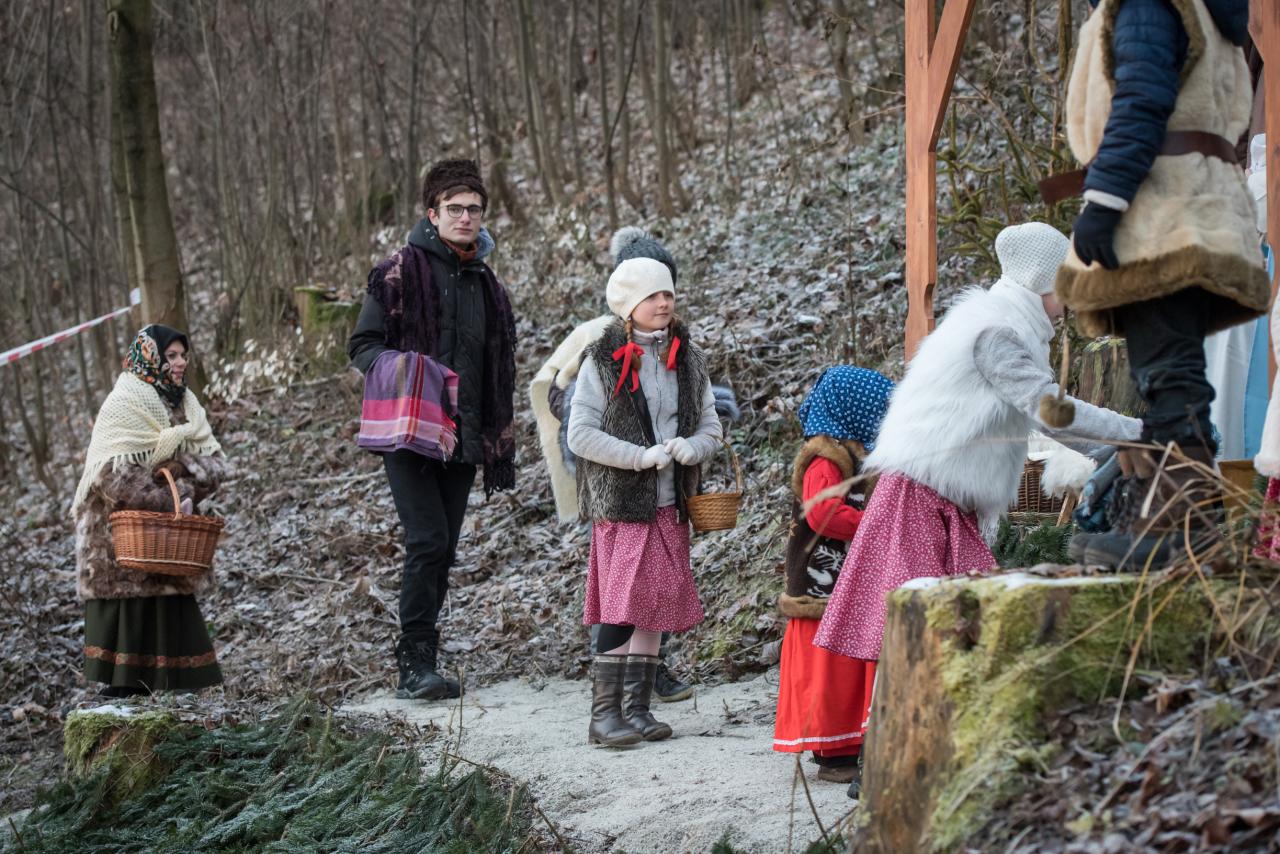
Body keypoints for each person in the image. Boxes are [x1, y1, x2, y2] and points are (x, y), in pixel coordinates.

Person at [814, 223, 1141, 796]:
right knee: (922, 626)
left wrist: (1118, 443)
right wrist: (1139, 434)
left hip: (942, 498)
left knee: (955, 623)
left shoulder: (1001, 324)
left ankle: (924, 752)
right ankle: (884, 763)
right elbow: (1049, 412)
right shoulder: (996, 332)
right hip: (919, 497)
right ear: (1043, 280)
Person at [1055, 0, 1267, 568]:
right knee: (1170, 374)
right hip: (1199, 210)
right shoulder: (1204, 12)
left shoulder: (1151, 4)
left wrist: (1105, 200)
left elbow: (1142, 99)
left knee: (1170, 376)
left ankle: (1180, 525)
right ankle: (1175, 517)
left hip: (1165, 215)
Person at [348, 159, 517, 701]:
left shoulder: (486, 285)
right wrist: (410, 373)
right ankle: (413, 663)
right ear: (432, 213)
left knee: (443, 549)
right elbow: (363, 346)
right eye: (454, 208)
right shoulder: (398, 271)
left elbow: (493, 364)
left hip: (462, 433)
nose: (465, 217)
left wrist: (489, 431)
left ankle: (425, 658)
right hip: (411, 431)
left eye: (474, 209)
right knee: (427, 540)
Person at [566, 254, 723, 746]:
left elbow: (711, 426)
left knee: (656, 601)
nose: (663, 302)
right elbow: (579, 434)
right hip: (622, 504)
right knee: (622, 604)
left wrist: (692, 447)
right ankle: (604, 716)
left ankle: (637, 710)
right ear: (628, 305)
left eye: (668, 293)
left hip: (670, 502)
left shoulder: (690, 358)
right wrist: (639, 457)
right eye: (652, 295)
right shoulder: (601, 360)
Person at [73, 325, 230, 697]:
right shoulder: (123, 403)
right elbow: (111, 474)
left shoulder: (185, 404)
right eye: (171, 355)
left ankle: (173, 688)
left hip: (167, 533)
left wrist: (180, 475)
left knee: (168, 604)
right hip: (118, 531)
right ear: (149, 358)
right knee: (127, 609)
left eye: (183, 355)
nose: (180, 362)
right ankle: (123, 690)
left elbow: (215, 465)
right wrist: (169, 495)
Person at [772, 366, 893, 787]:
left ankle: (846, 742)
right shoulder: (825, 458)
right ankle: (831, 750)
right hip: (820, 583)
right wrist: (875, 524)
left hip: (843, 579)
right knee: (828, 669)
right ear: (854, 409)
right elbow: (823, 511)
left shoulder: (854, 451)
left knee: (845, 664)